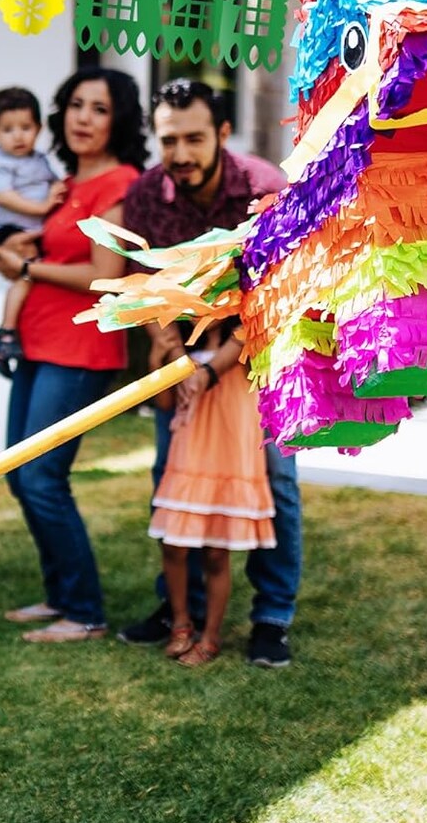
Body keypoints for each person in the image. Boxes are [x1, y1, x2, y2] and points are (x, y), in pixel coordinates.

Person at [117, 78, 303, 669]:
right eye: (169, 140)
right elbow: (143, 285)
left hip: (263, 360)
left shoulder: (264, 190)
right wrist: (169, 348)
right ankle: (182, 612)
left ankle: (272, 617)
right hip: (183, 365)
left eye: (195, 138)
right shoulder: (148, 192)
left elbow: (280, 298)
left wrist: (214, 366)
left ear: (224, 132)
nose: (181, 154)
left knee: (273, 483)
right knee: (172, 474)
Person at [0, 67, 147, 644]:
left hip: (79, 346)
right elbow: (52, 245)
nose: (83, 117)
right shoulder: (65, 184)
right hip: (37, 340)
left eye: (100, 109)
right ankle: (61, 596)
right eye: (77, 105)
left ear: (120, 120)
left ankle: (84, 611)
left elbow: (104, 276)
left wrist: (27, 268)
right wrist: (21, 249)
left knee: (42, 477)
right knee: (21, 475)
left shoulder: (120, 184)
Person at [150, 329, 276, 666]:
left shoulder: (249, 340)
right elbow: (164, 404)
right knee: (173, 545)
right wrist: (156, 360)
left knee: (217, 553)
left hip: (229, 454)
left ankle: (210, 638)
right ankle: (180, 624)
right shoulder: (182, 346)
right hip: (188, 455)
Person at [0, 86, 66, 378]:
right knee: (26, 276)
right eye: (8, 129)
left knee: (35, 276)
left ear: (39, 129)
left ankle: (16, 330)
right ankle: (5, 333)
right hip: (9, 230)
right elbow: (5, 197)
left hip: (32, 228)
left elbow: (56, 185)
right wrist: (42, 208)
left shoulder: (39, 160)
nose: (17, 136)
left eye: (25, 127)